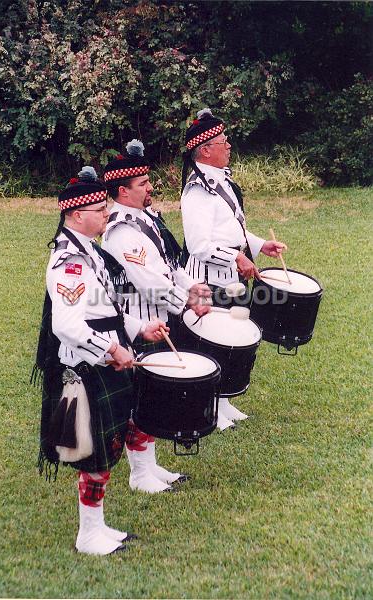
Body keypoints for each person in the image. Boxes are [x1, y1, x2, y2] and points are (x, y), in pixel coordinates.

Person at [34, 168, 169, 556]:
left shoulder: (89, 250)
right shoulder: (68, 262)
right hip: (85, 367)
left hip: (101, 364)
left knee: (106, 448)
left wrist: (141, 328)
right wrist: (110, 350)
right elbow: (67, 325)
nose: (107, 213)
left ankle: (97, 528)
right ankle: (88, 535)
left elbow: (104, 307)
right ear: (76, 215)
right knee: (94, 453)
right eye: (99, 208)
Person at [101, 140, 213, 487]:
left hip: (159, 315)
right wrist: (186, 303)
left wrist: (193, 287)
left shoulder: (145, 218)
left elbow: (167, 264)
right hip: (141, 319)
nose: (151, 187)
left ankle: (149, 467)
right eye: (143, 184)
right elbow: (148, 282)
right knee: (143, 397)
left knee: (154, 393)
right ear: (123, 191)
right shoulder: (121, 229)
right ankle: (139, 474)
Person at [180, 108, 287, 429]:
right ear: (205, 150)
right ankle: (209, 406)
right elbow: (199, 244)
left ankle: (223, 401)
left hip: (229, 275)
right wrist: (236, 258)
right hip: (207, 278)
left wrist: (256, 246)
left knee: (229, 338)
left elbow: (230, 230)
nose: (229, 146)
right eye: (222, 141)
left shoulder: (220, 181)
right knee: (211, 340)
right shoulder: (197, 191)